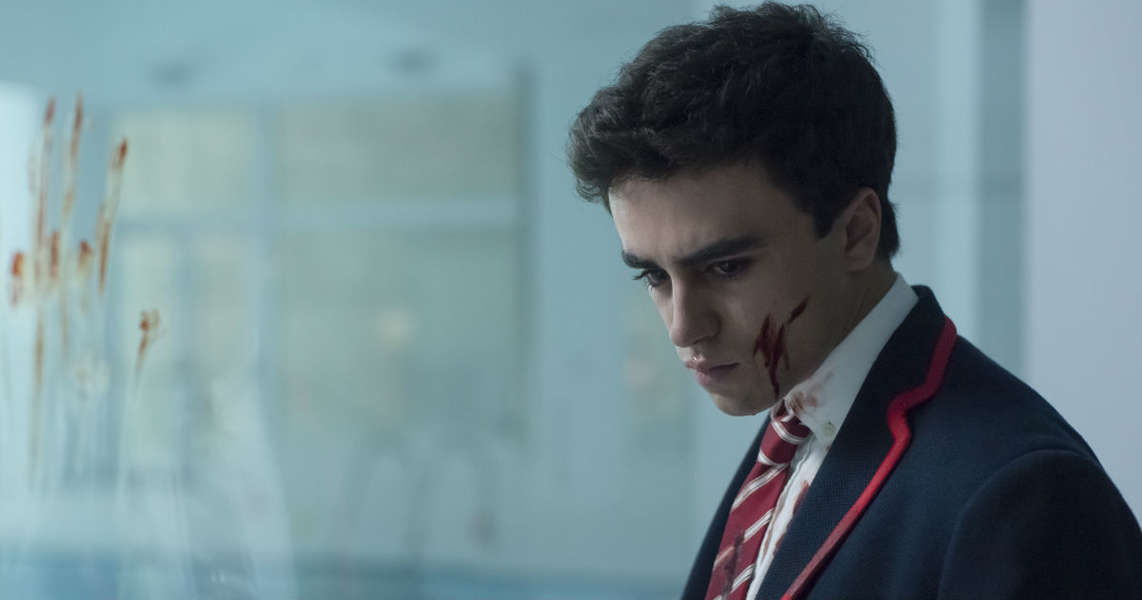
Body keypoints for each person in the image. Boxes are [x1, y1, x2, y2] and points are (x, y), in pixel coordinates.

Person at [566, 3, 1142, 599]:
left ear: (856, 232)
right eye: (654, 276)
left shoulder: (1022, 496)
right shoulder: (795, 425)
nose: (683, 327)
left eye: (727, 267)